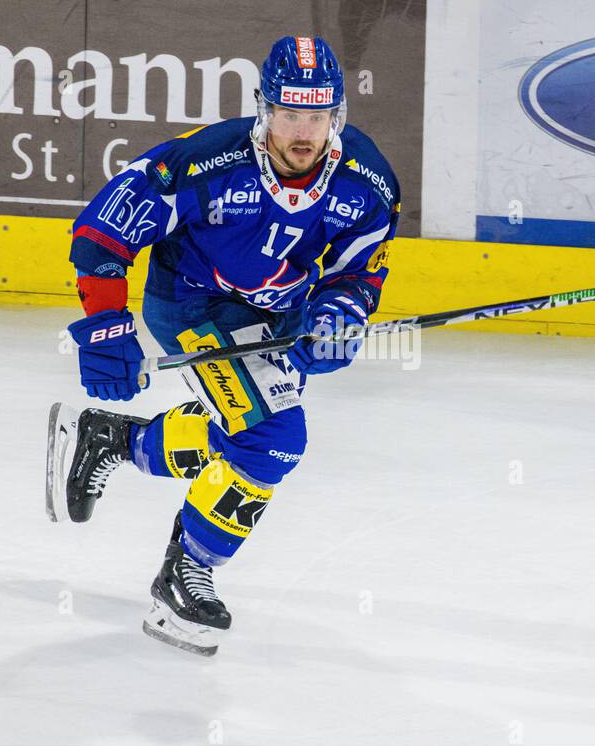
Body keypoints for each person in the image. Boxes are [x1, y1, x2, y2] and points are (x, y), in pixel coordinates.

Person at [55, 35, 400, 656]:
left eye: (317, 115)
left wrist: (339, 314)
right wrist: (107, 329)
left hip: (278, 313)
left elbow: (357, 271)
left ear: (337, 116)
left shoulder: (366, 182)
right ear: (265, 111)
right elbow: (101, 236)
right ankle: (183, 578)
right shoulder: (208, 161)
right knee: (272, 439)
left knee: (246, 431)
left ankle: (114, 438)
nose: (304, 131)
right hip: (190, 303)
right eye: (290, 113)